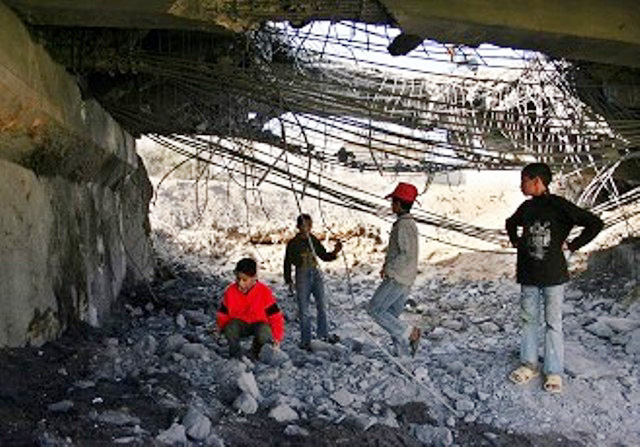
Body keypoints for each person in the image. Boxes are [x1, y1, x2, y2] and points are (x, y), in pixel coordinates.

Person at [506, 162, 603, 393]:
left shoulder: (560, 206)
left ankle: (554, 371)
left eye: (524, 181)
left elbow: (595, 223)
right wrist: (516, 241)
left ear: (537, 181)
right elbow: (510, 223)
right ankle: (529, 365)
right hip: (528, 274)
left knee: (553, 323)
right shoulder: (526, 208)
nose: (521, 186)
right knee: (529, 321)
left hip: (554, 275)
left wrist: (572, 244)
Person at [367, 182, 422, 357]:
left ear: (399, 204)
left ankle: (411, 333)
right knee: (391, 315)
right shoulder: (409, 224)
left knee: (375, 309)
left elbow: (405, 254)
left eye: (393, 202)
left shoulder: (403, 225)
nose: (391, 205)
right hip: (406, 278)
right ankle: (402, 353)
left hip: (398, 277)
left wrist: (388, 269)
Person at [284, 214, 342, 350]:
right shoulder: (293, 243)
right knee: (304, 309)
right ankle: (306, 341)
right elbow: (287, 262)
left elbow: (323, 255)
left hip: (315, 273)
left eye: (309, 225)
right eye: (304, 225)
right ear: (298, 226)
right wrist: (288, 280)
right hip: (301, 274)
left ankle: (323, 336)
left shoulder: (313, 240)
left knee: (321, 305)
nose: (307, 228)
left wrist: (335, 252)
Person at [216, 258, 285, 359]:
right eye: (238, 279)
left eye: (245, 280)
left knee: (264, 332)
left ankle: (256, 352)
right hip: (239, 324)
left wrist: (277, 338)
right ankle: (235, 356)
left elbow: (275, 316)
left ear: (254, 278)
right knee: (230, 328)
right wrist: (220, 329)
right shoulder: (230, 291)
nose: (240, 283)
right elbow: (223, 313)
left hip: (259, 324)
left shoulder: (264, 291)